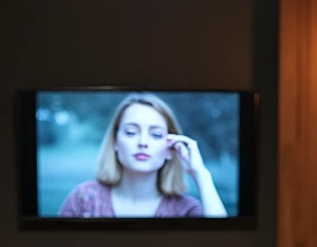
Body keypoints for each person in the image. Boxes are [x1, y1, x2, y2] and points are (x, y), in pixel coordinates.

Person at [57, 92, 228, 218]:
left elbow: (224, 246)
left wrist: (201, 174)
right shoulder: (83, 199)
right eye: (131, 132)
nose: (143, 142)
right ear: (115, 142)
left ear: (171, 148)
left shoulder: (186, 210)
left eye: (156, 135)